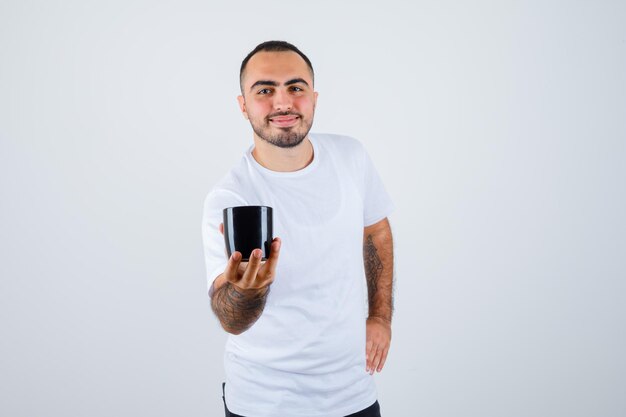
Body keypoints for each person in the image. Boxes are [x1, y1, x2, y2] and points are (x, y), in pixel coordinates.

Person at [202, 40, 395, 417]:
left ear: (314, 97)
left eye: (295, 87)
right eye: (264, 90)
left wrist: (380, 317)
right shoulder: (229, 197)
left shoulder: (350, 156)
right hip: (264, 402)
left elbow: (376, 231)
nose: (283, 102)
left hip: (352, 393)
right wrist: (247, 292)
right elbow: (230, 318)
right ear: (243, 105)